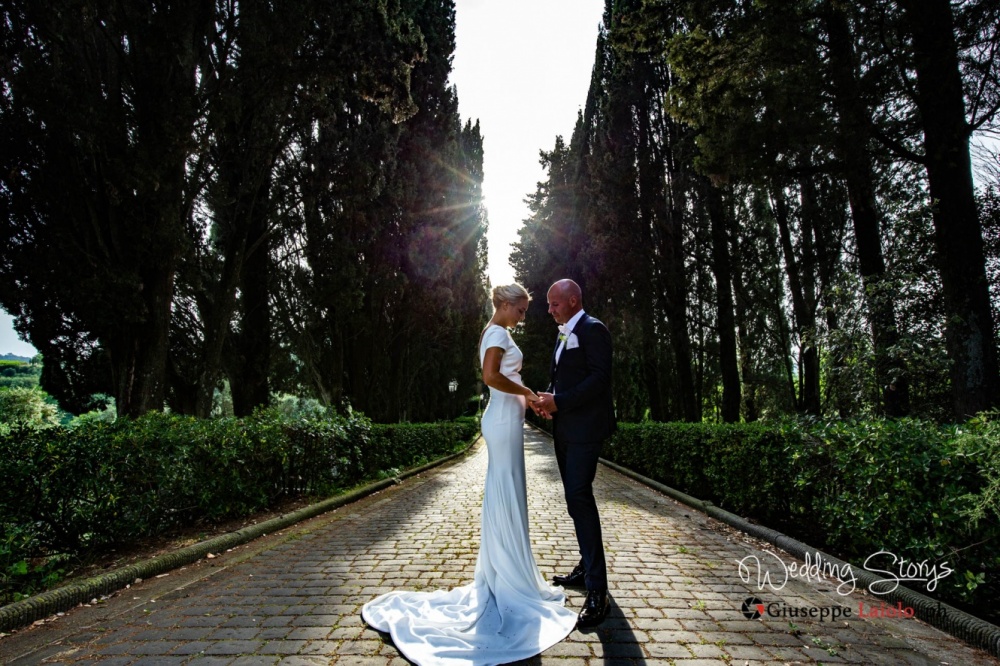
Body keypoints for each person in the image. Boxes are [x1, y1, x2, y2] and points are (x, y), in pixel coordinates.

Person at [362, 283, 577, 666]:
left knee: (506, 490)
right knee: (504, 490)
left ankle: (505, 569)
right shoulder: (496, 333)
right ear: (507, 305)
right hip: (500, 419)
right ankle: (506, 576)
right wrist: (528, 392)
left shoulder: (497, 331)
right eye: (522, 310)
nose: (524, 317)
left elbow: (501, 380)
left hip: (507, 419)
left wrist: (528, 401)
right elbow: (492, 377)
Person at [532, 278, 616, 628]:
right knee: (573, 499)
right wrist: (548, 399)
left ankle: (598, 591)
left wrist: (560, 401)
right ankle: (586, 566)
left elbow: (599, 379)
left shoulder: (594, 329)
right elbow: (562, 378)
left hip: (586, 430)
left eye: (554, 304)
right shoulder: (564, 332)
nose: (549, 310)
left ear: (572, 299)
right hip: (564, 429)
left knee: (579, 496)